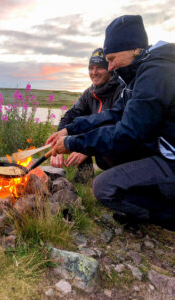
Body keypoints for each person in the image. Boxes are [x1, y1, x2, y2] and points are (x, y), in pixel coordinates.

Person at [47, 15, 175, 230]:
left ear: (134, 48)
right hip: (161, 150)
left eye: (112, 58)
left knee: (104, 188)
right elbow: (115, 113)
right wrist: (71, 129)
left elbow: (128, 133)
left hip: (170, 157)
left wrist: (72, 143)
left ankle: (167, 214)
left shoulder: (157, 73)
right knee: (107, 158)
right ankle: (143, 202)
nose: (110, 66)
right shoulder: (139, 73)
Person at [51, 48, 122, 183]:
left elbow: (117, 129)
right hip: (98, 145)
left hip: (117, 149)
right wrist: (58, 141)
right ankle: (85, 175)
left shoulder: (120, 90)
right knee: (77, 124)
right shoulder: (89, 93)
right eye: (91, 68)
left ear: (110, 68)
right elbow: (70, 116)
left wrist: (86, 148)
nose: (94, 72)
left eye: (99, 67)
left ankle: (122, 178)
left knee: (85, 137)